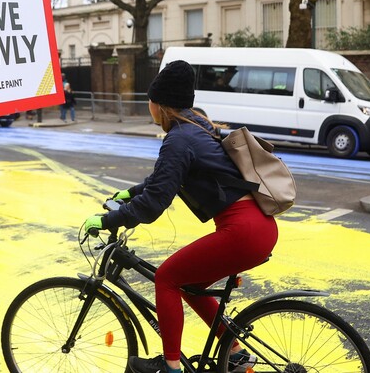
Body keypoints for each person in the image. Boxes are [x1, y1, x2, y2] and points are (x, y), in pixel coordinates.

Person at [83, 60, 278, 373]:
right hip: (258, 226)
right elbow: (162, 180)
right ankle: (237, 353)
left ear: (159, 105)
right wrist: (129, 194)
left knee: (167, 278)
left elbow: (154, 204)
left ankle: (171, 366)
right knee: (189, 284)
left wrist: (107, 221)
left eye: (150, 102)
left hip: (243, 230)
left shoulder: (179, 139)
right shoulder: (195, 126)